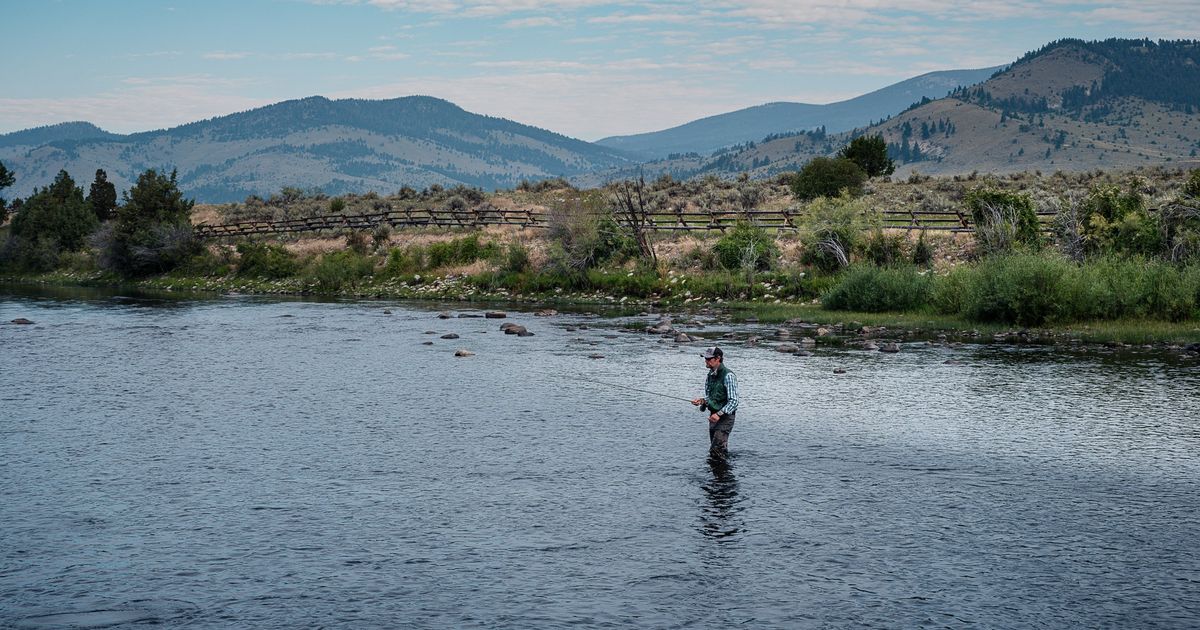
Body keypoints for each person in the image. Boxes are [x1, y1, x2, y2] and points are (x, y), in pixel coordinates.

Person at [691, 346, 739, 458]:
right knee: (718, 450)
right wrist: (702, 401)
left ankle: (722, 474)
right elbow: (710, 397)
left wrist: (719, 414)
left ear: (718, 358)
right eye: (705, 358)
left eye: (708, 358)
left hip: (726, 417)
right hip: (713, 416)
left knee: (715, 450)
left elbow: (734, 401)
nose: (706, 361)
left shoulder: (729, 375)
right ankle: (720, 474)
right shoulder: (710, 375)